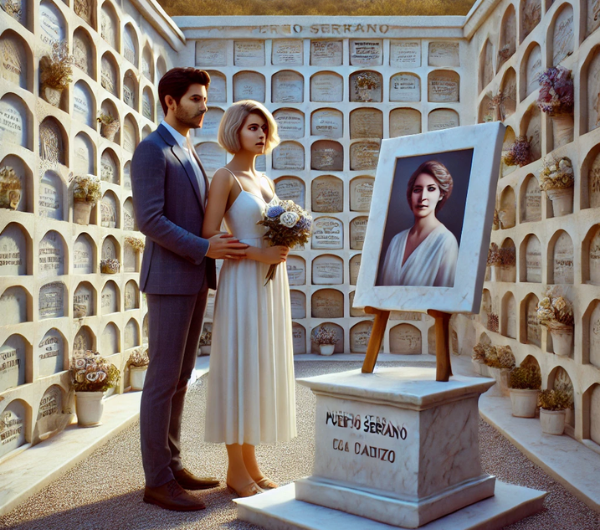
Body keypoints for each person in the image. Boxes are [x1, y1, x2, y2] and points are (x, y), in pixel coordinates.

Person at [131, 67, 249, 512]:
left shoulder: (188, 149)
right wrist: (204, 247)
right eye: (196, 99)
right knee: (162, 380)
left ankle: (172, 464)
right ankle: (156, 481)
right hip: (168, 279)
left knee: (181, 377)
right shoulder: (151, 149)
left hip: (195, 277)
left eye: (204, 99)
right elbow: (150, 220)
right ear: (170, 102)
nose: (204, 106)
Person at [203, 100, 297, 498]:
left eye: (264, 128)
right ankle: (234, 471)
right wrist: (258, 254)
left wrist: (283, 245)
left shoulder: (266, 181)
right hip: (242, 281)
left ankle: (251, 465)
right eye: (252, 127)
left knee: (258, 368)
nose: (260, 134)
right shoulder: (225, 177)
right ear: (235, 131)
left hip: (270, 285)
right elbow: (210, 239)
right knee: (239, 367)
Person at [379, 160, 458, 287]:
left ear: (441, 194)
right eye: (417, 190)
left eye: (431, 189)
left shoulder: (446, 242)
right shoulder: (396, 241)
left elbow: (444, 301)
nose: (423, 197)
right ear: (410, 194)